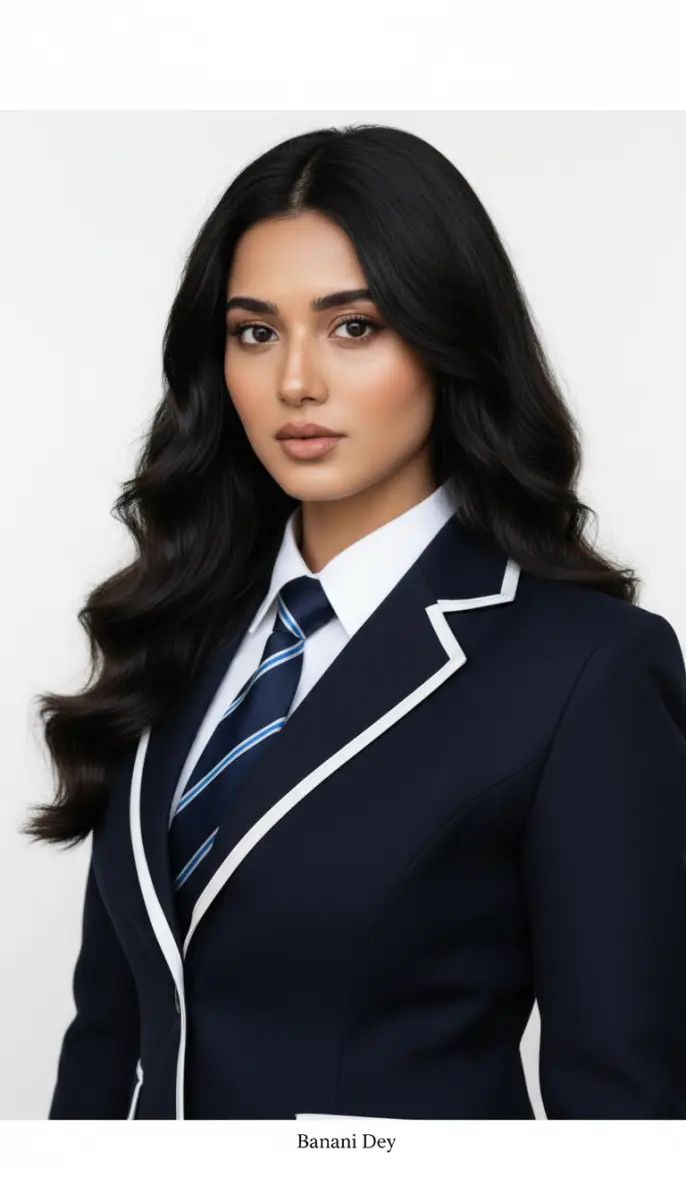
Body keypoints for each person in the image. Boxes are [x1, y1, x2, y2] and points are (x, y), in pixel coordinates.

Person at [25, 123, 686, 1120]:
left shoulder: (583, 672)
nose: (296, 380)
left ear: (447, 341)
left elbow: (625, 1111)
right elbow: (106, 1044)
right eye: (255, 331)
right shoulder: (174, 628)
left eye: (354, 325)